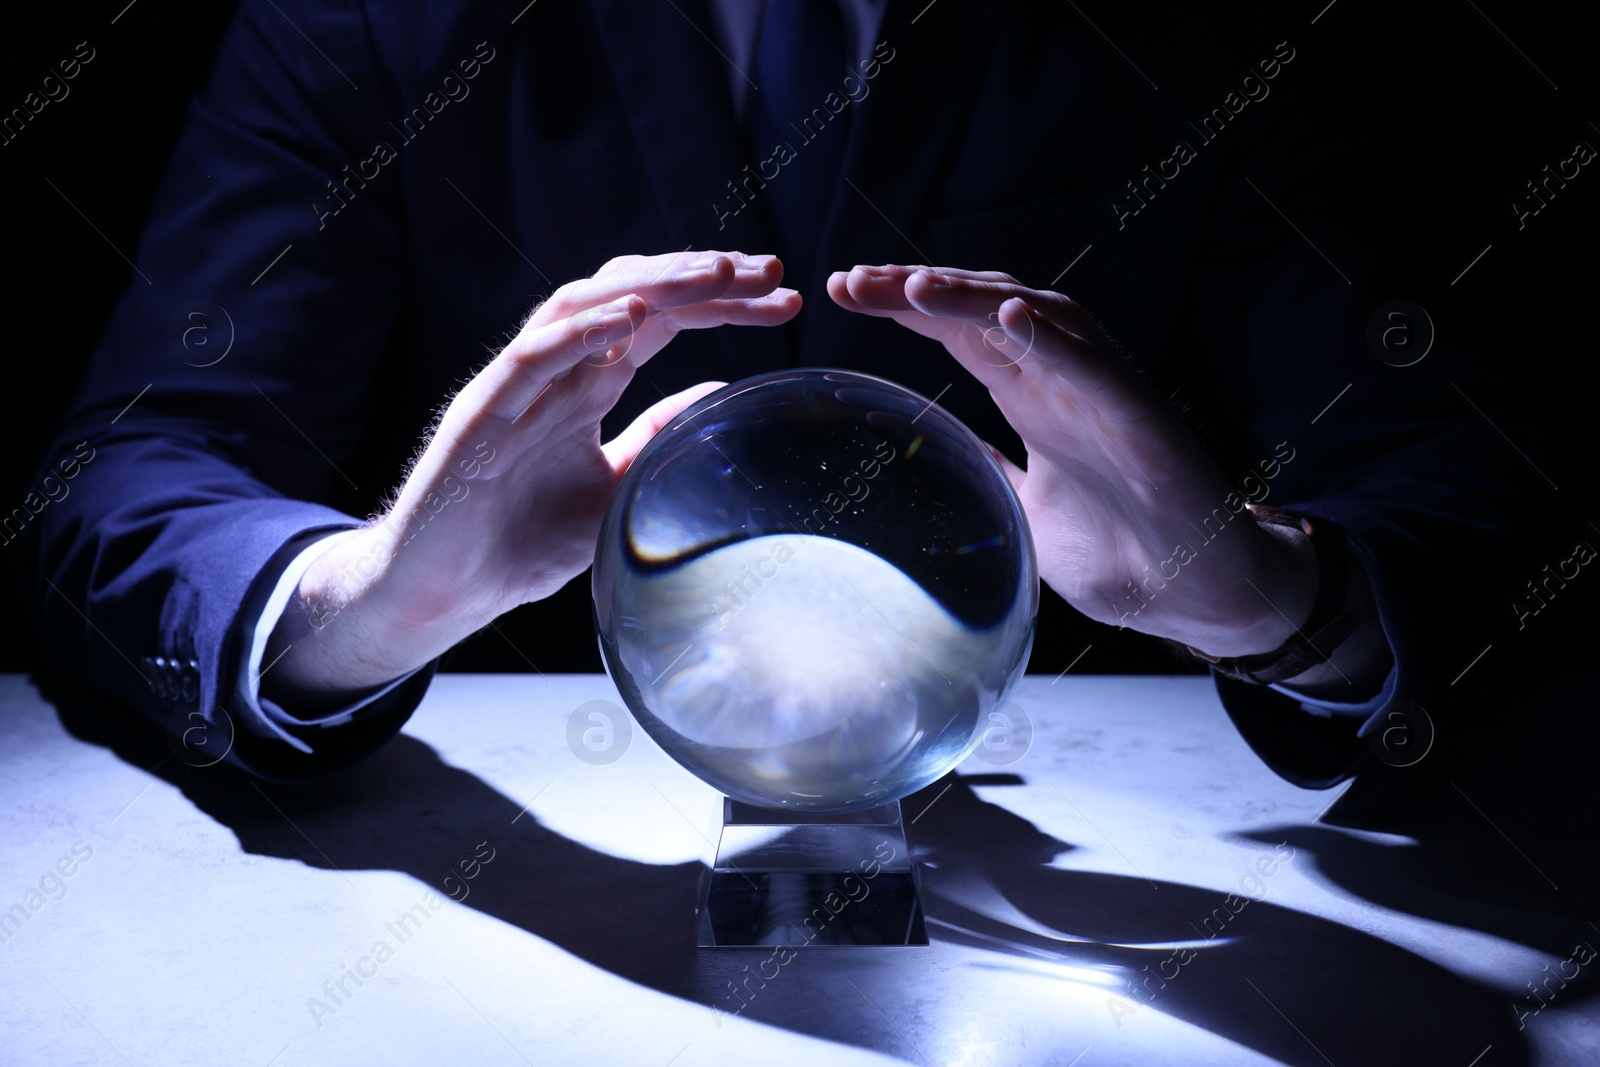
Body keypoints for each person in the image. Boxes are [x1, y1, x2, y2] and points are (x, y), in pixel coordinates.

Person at [25, 0, 1534, 785]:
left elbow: (1469, 477)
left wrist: (1278, 603)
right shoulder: (368, 17)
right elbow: (121, 478)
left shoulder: (1192, 19)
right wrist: (375, 600)